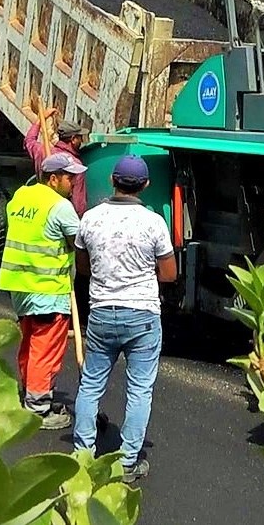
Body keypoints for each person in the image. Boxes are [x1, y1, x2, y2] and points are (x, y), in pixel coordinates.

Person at [72, 155, 174, 483]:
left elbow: (83, 267)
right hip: (142, 314)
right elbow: (169, 274)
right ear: (144, 185)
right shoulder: (153, 222)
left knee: (91, 384)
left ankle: (83, 453)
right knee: (140, 389)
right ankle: (128, 461)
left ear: (113, 181)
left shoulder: (89, 219)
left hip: (102, 312)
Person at [0, 152, 86, 430]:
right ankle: (38, 409)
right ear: (53, 179)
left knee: (29, 343)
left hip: (21, 286)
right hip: (48, 289)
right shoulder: (59, 207)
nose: (73, 182)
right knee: (45, 349)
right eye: (68, 177)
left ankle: (31, 393)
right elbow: (79, 243)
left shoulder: (20, 198)